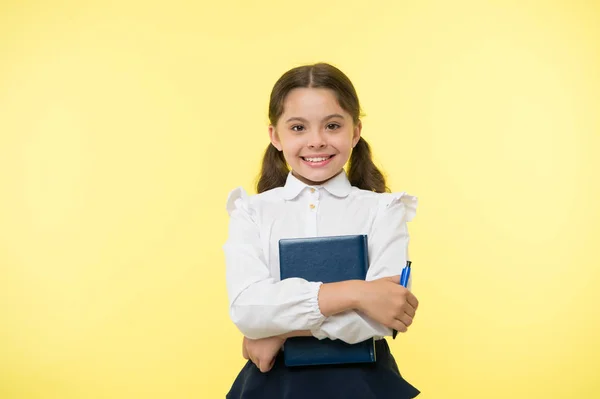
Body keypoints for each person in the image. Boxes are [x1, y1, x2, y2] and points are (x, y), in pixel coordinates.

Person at [223, 62, 420, 399]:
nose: (316, 141)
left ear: (355, 132)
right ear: (276, 136)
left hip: (364, 384)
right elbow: (247, 309)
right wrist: (358, 293)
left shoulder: (384, 210)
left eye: (332, 125)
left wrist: (280, 333)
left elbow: (386, 316)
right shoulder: (252, 212)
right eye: (298, 127)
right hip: (273, 385)